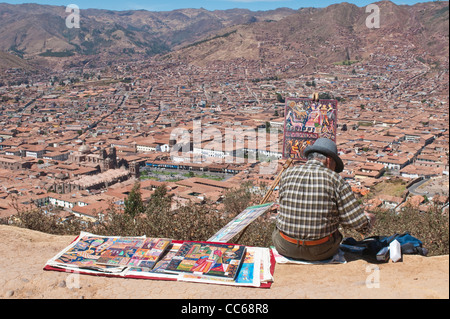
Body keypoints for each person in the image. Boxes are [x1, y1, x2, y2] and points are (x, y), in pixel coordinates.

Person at [272, 138, 375, 261]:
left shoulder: (287, 174)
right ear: (329, 160)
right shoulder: (336, 180)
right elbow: (357, 223)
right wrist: (369, 219)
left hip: (285, 246)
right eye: (334, 165)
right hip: (321, 250)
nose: (333, 169)